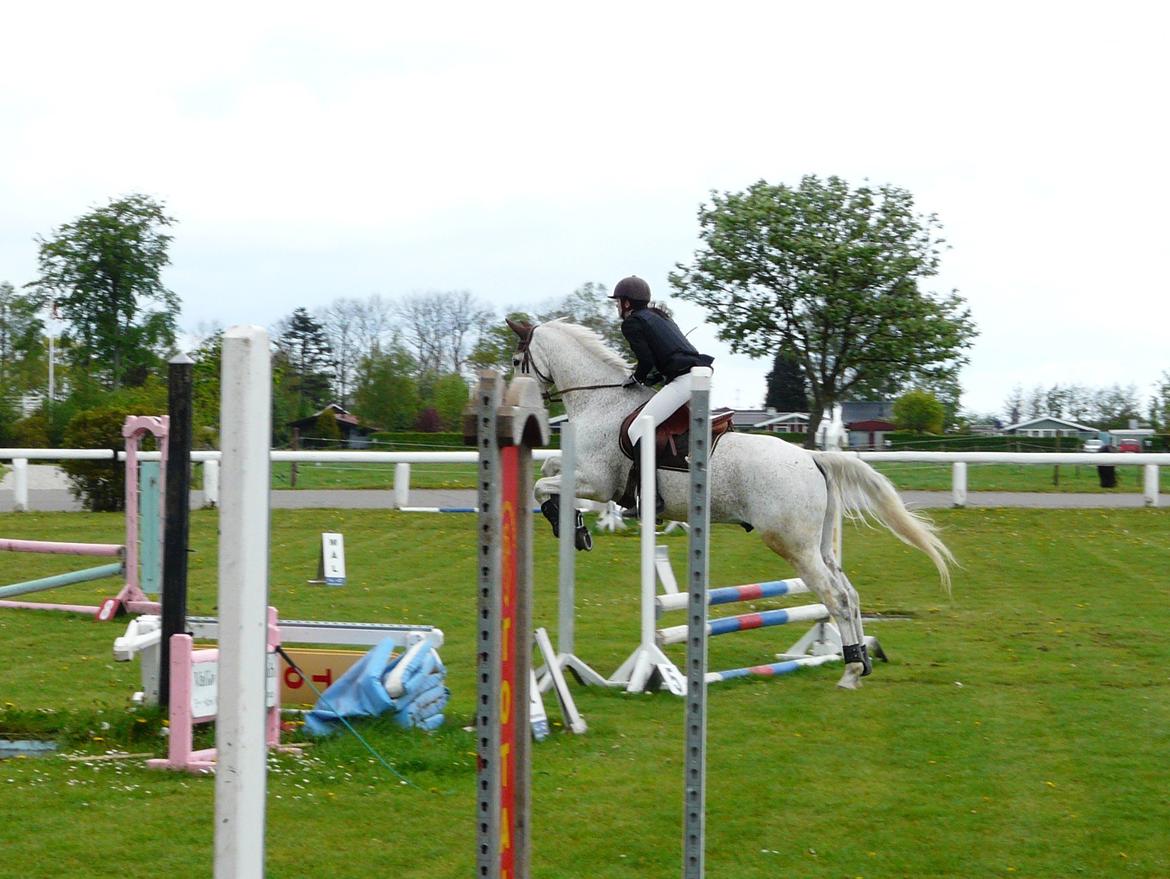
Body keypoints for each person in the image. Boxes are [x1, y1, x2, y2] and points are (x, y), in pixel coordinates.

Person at [610, 275, 714, 517]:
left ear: (626, 303)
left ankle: (650, 500)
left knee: (637, 429)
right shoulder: (658, 315)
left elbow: (646, 361)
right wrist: (652, 378)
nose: (617, 306)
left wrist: (636, 378)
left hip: (686, 380)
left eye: (618, 302)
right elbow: (666, 358)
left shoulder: (632, 323)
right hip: (698, 374)